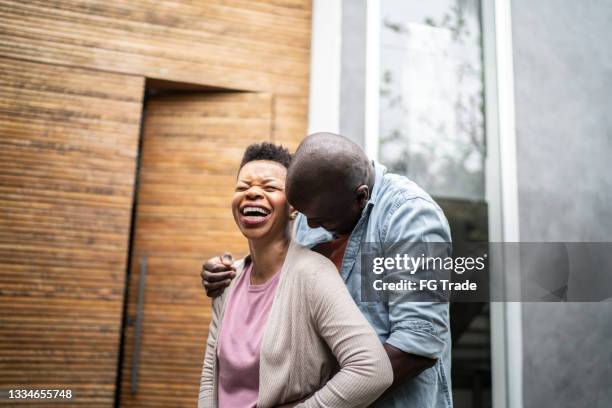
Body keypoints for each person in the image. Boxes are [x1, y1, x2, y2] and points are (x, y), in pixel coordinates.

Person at [202, 133, 453, 408]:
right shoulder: (322, 203)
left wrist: (315, 401)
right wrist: (233, 271)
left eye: (319, 220)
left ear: (360, 197)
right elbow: (283, 267)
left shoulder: (411, 217)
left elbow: (418, 345)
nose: (308, 227)